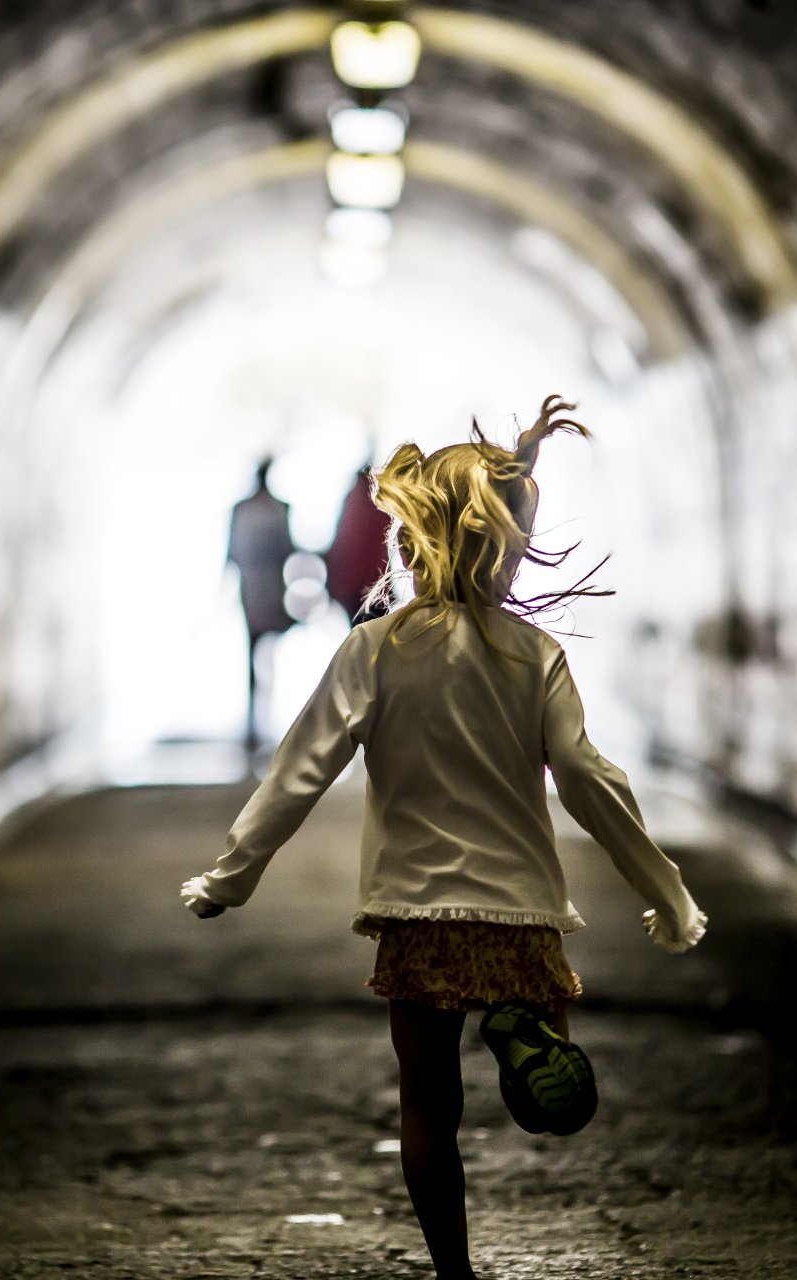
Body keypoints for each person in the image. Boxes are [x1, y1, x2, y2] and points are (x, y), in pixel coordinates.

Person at [180, 397, 706, 1280]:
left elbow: (298, 773)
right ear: (508, 546)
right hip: (523, 914)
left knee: (425, 1101)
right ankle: (521, 1030)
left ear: (410, 541)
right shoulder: (534, 655)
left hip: (418, 913)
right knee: (547, 1094)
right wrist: (669, 892)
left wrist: (229, 877)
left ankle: (455, 1277)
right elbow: (587, 780)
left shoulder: (375, 649)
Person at [226, 459, 297, 749]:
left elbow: (230, 553)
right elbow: (289, 549)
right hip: (271, 588)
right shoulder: (279, 509)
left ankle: (255, 716)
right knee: (267, 653)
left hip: (250, 590)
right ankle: (261, 713)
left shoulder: (241, 510)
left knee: (253, 651)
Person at [324, 462, 393, 625]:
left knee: (364, 636)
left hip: (360, 587)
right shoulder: (376, 505)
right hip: (373, 587)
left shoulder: (354, 503)